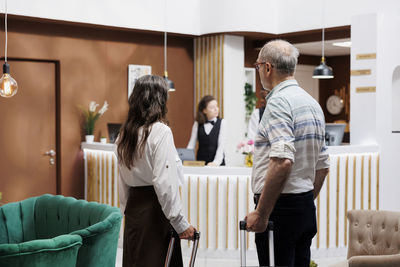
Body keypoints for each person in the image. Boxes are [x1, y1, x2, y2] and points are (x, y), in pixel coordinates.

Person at [245, 40, 330, 267]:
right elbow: (323, 166)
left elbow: (282, 162)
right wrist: (304, 199)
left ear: (268, 68)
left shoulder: (278, 102)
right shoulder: (312, 104)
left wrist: (262, 213)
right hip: (304, 207)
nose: (259, 71)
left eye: (258, 66)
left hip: (279, 210)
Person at [117, 75, 195, 267]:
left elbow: (122, 181)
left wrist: (126, 210)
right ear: (159, 100)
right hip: (155, 211)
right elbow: (164, 183)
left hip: (134, 209)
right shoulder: (160, 131)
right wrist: (180, 223)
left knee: (135, 261)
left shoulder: (124, 133)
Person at [187, 95, 226, 166]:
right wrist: (186, 159)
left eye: (216, 106)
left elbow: (221, 145)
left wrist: (215, 162)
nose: (216, 109)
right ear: (204, 110)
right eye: (212, 107)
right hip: (201, 163)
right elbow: (191, 145)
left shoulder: (222, 123)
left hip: (217, 164)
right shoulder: (197, 124)